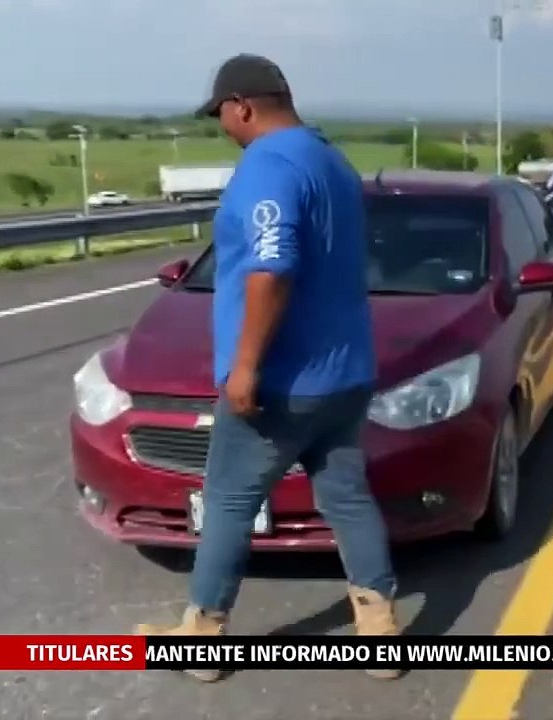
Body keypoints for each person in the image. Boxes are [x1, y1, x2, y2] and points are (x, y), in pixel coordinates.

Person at [133, 54, 402, 683]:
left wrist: (247, 365)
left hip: (285, 381)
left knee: (228, 500)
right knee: (348, 497)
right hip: (345, 374)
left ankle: (200, 644)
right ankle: (380, 632)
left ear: (243, 106)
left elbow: (271, 265)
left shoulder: (267, 165)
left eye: (221, 114)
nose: (222, 126)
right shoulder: (330, 160)